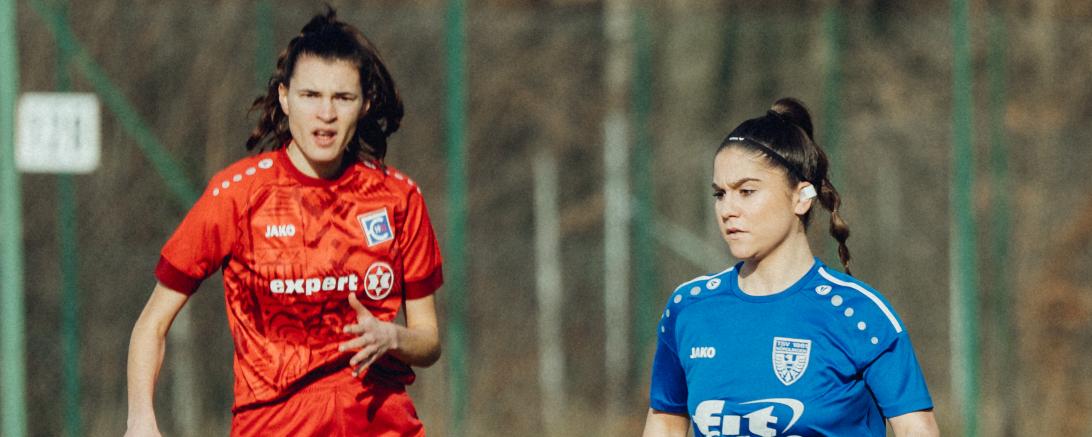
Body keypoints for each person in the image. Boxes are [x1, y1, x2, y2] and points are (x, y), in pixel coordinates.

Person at [125, 8, 443, 437]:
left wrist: (393, 338)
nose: (325, 114)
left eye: (342, 98)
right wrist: (141, 419)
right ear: (284, 97)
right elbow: (152, 323)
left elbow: (428, 340)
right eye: (311, 95)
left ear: (364, 104)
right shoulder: (237, 195)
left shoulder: (398, 197)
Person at [642, 98, 939, 437]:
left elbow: (917, 428)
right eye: (720, 194)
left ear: (802, 197)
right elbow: (665, 420)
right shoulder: (689, 308)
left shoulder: (858, 314)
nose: (728, 209)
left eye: (747, 191)